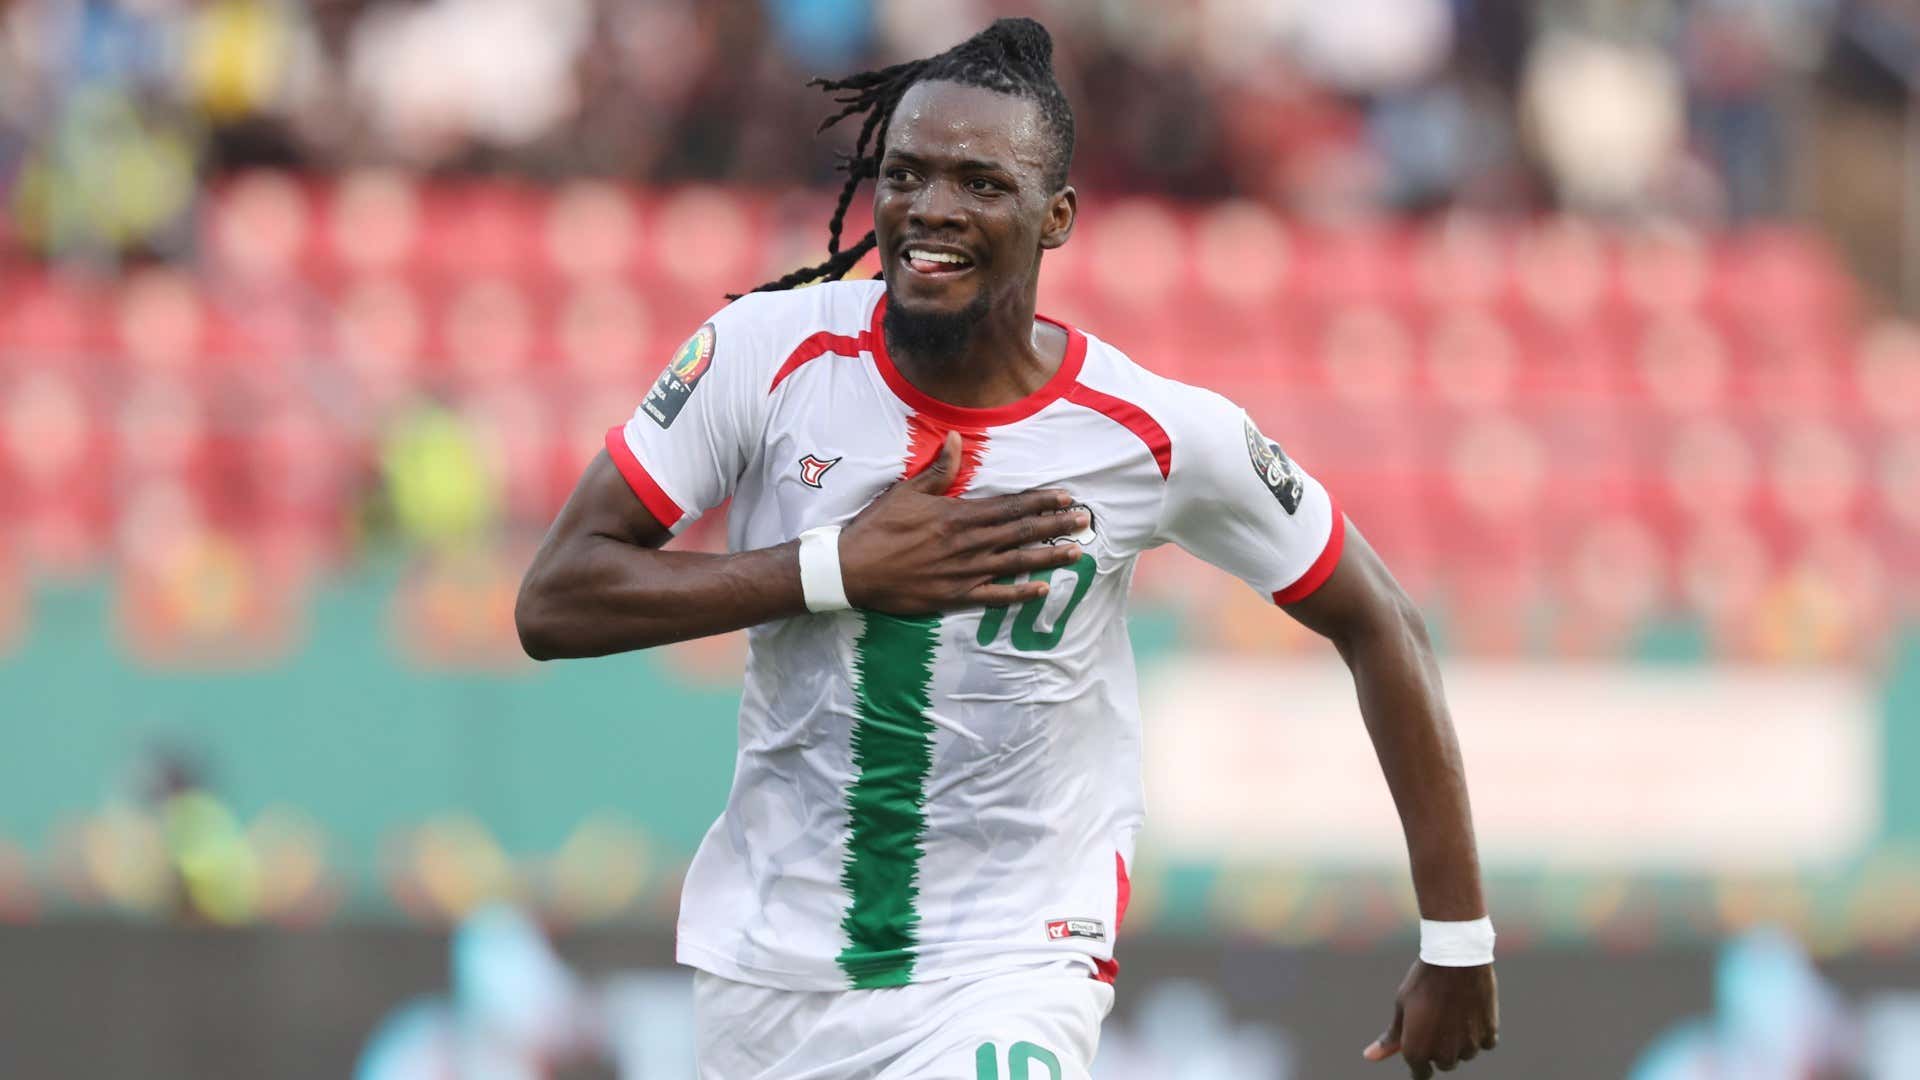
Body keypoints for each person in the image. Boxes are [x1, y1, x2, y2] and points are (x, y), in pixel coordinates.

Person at [516, 18, 1497, 1079]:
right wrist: (835, 571)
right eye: (905, 175)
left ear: (1056, 216)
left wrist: (1457, 936)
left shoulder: (1159, 436)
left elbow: (1380, 618)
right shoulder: (765, 354)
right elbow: (556, 599)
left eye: (981, 182)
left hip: (1011, 963)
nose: (930, 209)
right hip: (767, 978)